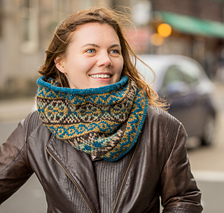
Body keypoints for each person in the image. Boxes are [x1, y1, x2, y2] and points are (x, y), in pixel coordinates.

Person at [0, 7, 202, 212]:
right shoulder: (35, 128)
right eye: (91, 50)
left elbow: (183, 200)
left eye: (114, 51)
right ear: (61, 63)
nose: (106, 60)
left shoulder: (162, 127)